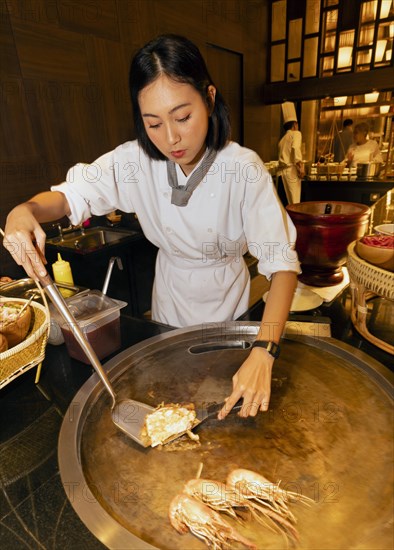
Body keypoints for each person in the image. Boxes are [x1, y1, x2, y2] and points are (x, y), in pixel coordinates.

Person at [3, 35, 300, 420]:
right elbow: (70, 196)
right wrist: (23, 211)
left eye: (182, 117)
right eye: (153, 123)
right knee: (174, 399)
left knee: (225, 405)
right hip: (168, 304)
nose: (171, 138)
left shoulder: (243, 169)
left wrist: (265, 348)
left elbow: (282, 265)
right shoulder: (135, 162)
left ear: (209, 98)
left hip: (228, 308)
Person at [277, 103, 304, 205]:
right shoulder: (296, 134)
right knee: (294, 205)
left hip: (281, 175)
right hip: (291, 174)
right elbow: (295, 148)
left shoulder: (282, 140)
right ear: (294, 125)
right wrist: (300, 166)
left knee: (283, 205)